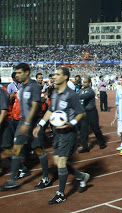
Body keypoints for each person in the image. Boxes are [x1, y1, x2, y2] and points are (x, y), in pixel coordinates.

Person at [33, 67, 89, 204]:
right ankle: (81, 177)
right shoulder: (55, 93)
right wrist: (40, 125)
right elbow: (51, 111)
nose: (54, 76)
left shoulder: (71, 95)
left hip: (68, 133)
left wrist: (71, 123)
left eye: (58, 74)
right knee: (58, 162)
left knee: (62, 162)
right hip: (57, 132)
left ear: (65, 77)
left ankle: (60, 194)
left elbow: (81, 113)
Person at [1, 63, 50, 191]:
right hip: (23, 122)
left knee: (38, 150)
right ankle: (12, 181)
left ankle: (46, 178)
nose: (16, 75)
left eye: (19, 72)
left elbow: (34, 106)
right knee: (16, 149)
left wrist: (27, 123)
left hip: (33, 123)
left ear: (27, 72)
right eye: (16, 73)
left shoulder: (34, 86)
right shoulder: (22, 87)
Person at [78, 77, 107, 153]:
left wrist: (73, 96)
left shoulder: (91, 91)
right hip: (84, 113)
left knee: (95, 128)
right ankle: (85, 147)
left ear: (89, 83)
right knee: (83, 130)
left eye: (85, 82)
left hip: (92, 112)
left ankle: (102, 142)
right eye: (83, 82)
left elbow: (84, 96)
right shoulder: (80, 91)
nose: (84, 84)